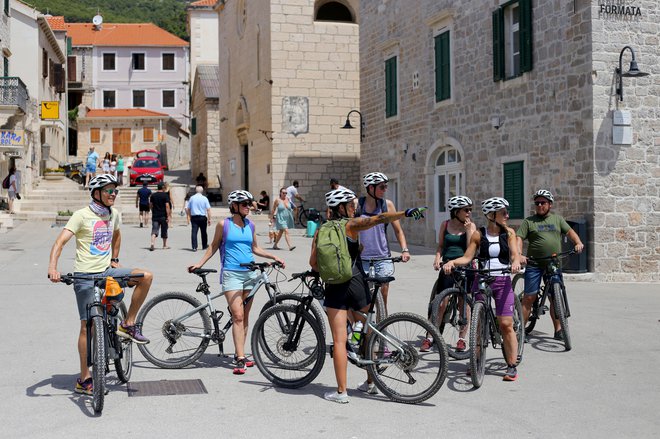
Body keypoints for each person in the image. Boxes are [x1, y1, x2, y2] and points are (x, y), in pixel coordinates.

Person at [310, 188, 426, 403]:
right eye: (351, 205)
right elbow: (379, 219)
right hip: (357, 283)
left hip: (335, 287)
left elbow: (313, 263)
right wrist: (406, 212)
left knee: (338, 340)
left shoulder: (322, 230)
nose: (355, 208)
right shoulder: (351, 226)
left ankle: (341, 393)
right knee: (368, 333)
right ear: (342, 207)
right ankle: (371, 383)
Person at [47, 174, 153, 396]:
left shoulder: (113, 214)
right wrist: (53, 268)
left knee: (145, 276)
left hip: (107, 272)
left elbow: (116, 235)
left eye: (115, 191)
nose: (113, 194)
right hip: (85, 275)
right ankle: (84, 378)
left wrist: (115, 259)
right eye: (108, 191)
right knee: (88, 326)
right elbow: (60, 242)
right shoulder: (81, 216)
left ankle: (128, 323)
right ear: (96, 194)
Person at [188, 190, 285, 374]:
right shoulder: (224, 224)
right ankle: (240, 358)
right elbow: (214, 246)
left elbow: (255, 248)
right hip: (231, 274)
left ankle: (239, 353)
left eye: (249, 203)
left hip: (249, 274)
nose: (248, 207)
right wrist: (199, 263)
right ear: (234, 206)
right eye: (244, 204)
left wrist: (273, 256)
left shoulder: (251, 225)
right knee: (238, 315)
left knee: (244, 317)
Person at [443, 197, 521, 382]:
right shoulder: (479, 234)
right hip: (483, 279)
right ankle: (476, 359)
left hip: (502, 279)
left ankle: (511, 365)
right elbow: (468, 257)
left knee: (506, 324)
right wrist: (452, 262)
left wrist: (516, 263)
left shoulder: (509, 233)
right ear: (492, 215)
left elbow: (515, 255)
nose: (507, 215)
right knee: (478, 323)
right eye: (503, 212)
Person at [516, 189, 584, 340]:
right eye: (537, 203)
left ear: (550, 204)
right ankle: (520, 330)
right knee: (529, 297)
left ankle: (559, 330)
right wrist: (520, 254)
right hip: (534, 263)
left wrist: (578, 243)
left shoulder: (557, 220)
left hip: (553, 263)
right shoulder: (529, 221)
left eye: (543, 202)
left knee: (555, 297)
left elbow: (570, 232)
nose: (540, 205)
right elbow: (519, 237)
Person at [421, 195, 476, 352]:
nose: (469, 212)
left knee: (463, 303)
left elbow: (471, 251)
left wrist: (468, 231)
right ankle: (430, 336)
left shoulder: (471, 227)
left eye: (470, 209)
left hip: (465, 266)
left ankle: (461, 339)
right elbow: (440, 246)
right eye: (466, 210)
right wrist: (437, 259)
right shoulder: (445, 225)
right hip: (447, 267)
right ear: (456, 211)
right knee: (441, 302)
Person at [358, 172, 410, 311]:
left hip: (383, 257)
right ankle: (366, 328)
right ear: (370, 188)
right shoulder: (358, 205)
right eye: (382, 187)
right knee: (363, 300)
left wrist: (404, 250)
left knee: (383, 295)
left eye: (386, 186)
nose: (385, 189)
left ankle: (382, 325)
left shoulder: (387, 205)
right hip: (362, 258)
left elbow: (398, 230)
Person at [186, 185, 212, 252]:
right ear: (202, 191)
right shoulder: (204, 198)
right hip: (202, 217)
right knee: (203, 232)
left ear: (196, 190)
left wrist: (189, 216)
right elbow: (208, 209)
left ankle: (194, 247)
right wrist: (209, 219)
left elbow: (188, 208)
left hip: (194, 217)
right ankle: (204, 245)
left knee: (194, 232)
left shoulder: (192, 198)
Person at [149, 182, 171, 251]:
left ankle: (152, 243)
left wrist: (153, 211)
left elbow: (150, 205)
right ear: (163, 188)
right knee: (164, 230)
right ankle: (164, 245)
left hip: (155, 215)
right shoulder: (165, 196)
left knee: (154, 230)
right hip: (163, 216)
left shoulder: (153, 195)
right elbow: (167, 206)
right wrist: (168, 216)